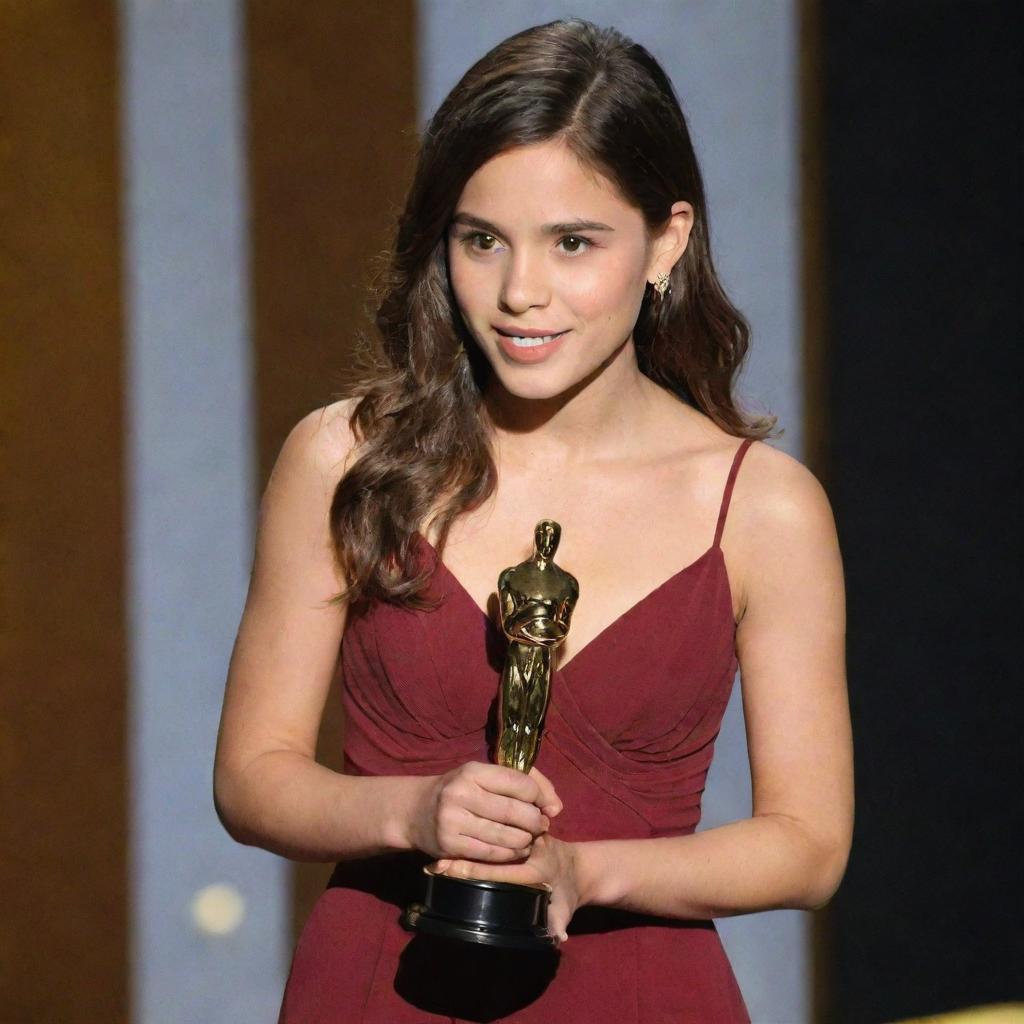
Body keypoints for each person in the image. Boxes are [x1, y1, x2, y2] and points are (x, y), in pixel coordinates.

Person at [213, 17, 853, 1023]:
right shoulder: (347, 456)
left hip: (640, 992)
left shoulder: (761, 507)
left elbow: (809, 844)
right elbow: (252, 777)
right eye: (482, 240)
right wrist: (408, 808)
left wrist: (580, 871)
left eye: (572, 242)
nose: (520, 292)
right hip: (381, 982)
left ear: (665, 241)